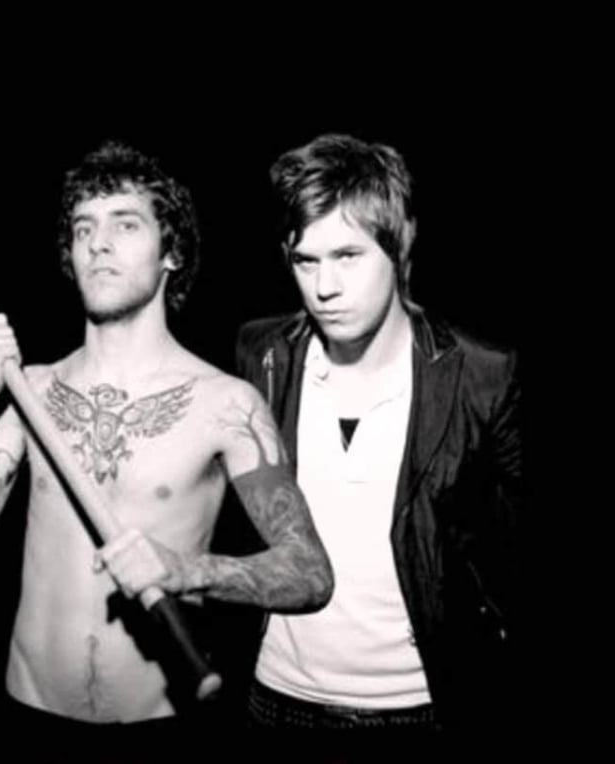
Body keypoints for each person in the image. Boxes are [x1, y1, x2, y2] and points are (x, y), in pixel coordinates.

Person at [0, 140, 332, 746]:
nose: (98, 242)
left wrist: (187, 571)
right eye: (83, 228)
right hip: (25, 712)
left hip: (161, 722)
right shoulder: (34, 389)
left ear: (172, 252)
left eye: (125, 224)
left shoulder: (226, 404)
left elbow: (310, 573)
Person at [233, 133, 523, 733]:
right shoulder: (261, 354)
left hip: (420, 707)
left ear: (399, 246)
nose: (325, 287)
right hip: (273, 696)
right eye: (306, 261)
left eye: (348, 255)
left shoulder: (480, 376)